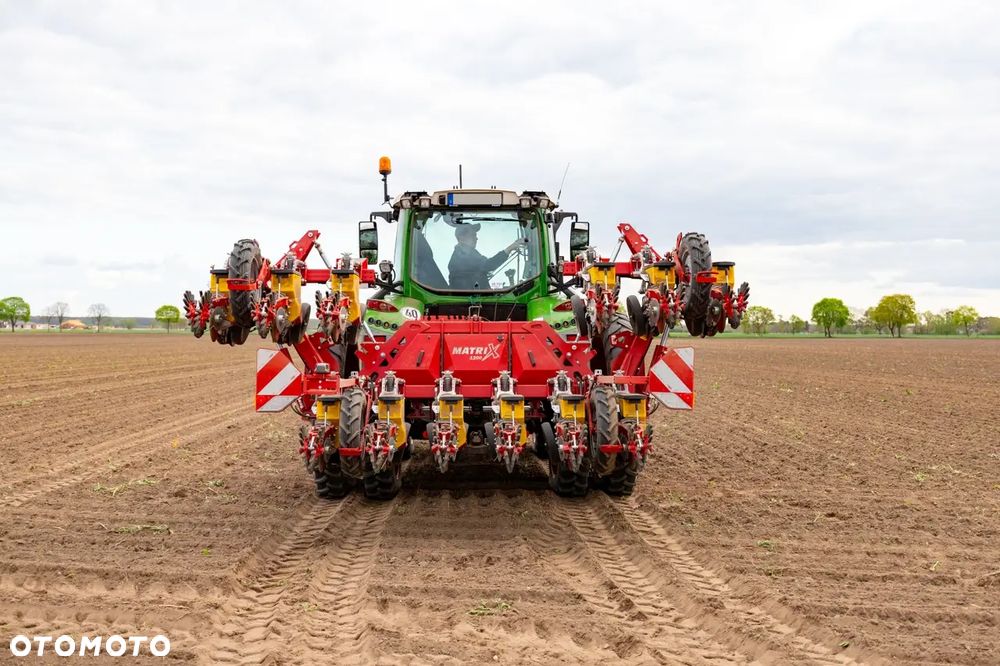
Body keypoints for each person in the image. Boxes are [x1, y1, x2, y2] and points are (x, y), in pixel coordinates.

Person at [447, 223, 523, 290]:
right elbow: (488, 265)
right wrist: (509, 249)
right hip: (469, 302)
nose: (476, 238)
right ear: (461, 238)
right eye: (473, 235)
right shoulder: (462, 255)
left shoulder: (465, 253)